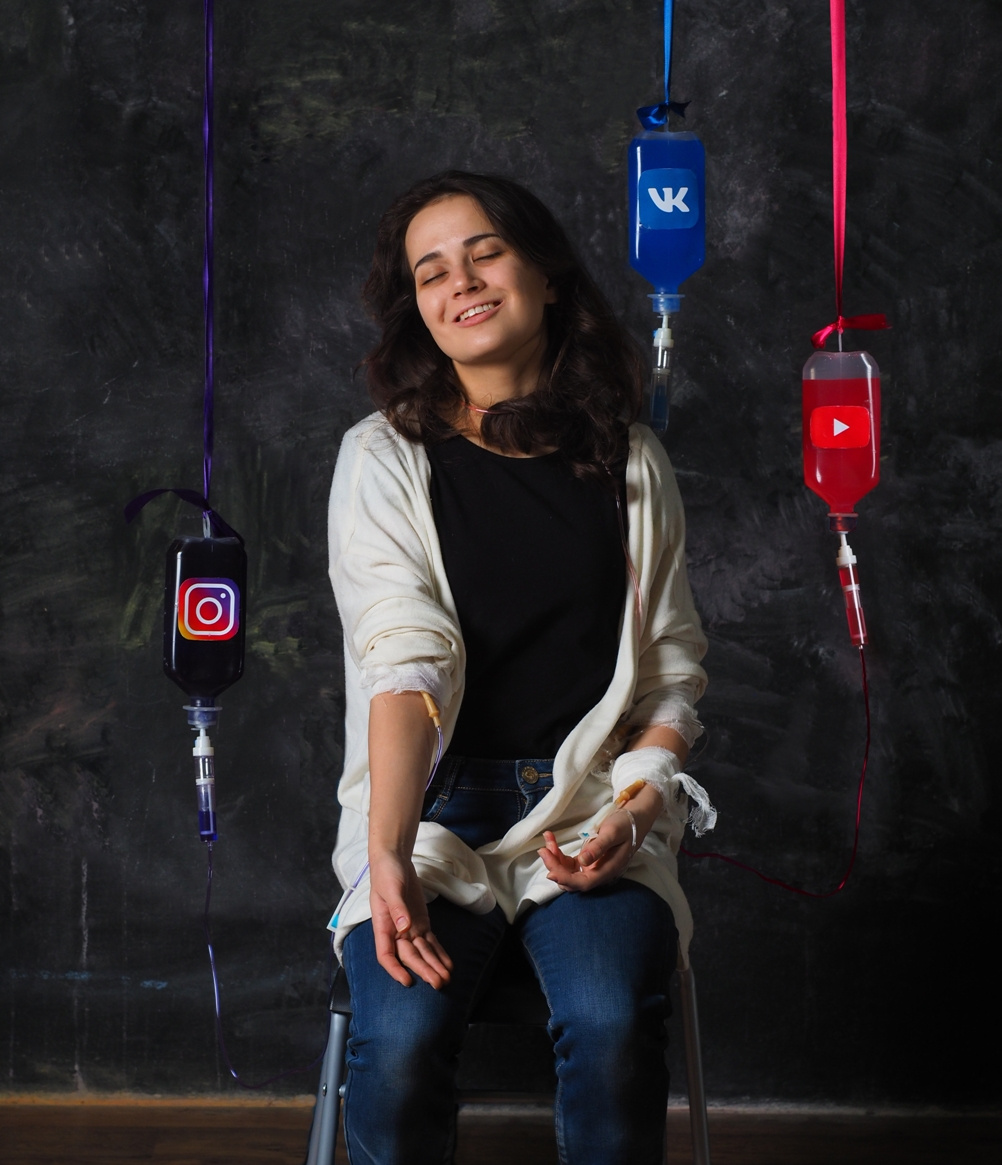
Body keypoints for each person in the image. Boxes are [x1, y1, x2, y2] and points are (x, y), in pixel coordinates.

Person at [327, 170, 712, 1165]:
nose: (461, 281)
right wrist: (385, 851)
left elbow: (670, 675)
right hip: (430, 815)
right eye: (431, 271)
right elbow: (405, 663)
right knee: (400, 1043)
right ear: (416, 308)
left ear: (543, 273)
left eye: (485, 252)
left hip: (587, 810)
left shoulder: (632, 462)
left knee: (611, 1023)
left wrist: (638, 808)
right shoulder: (382, 457)